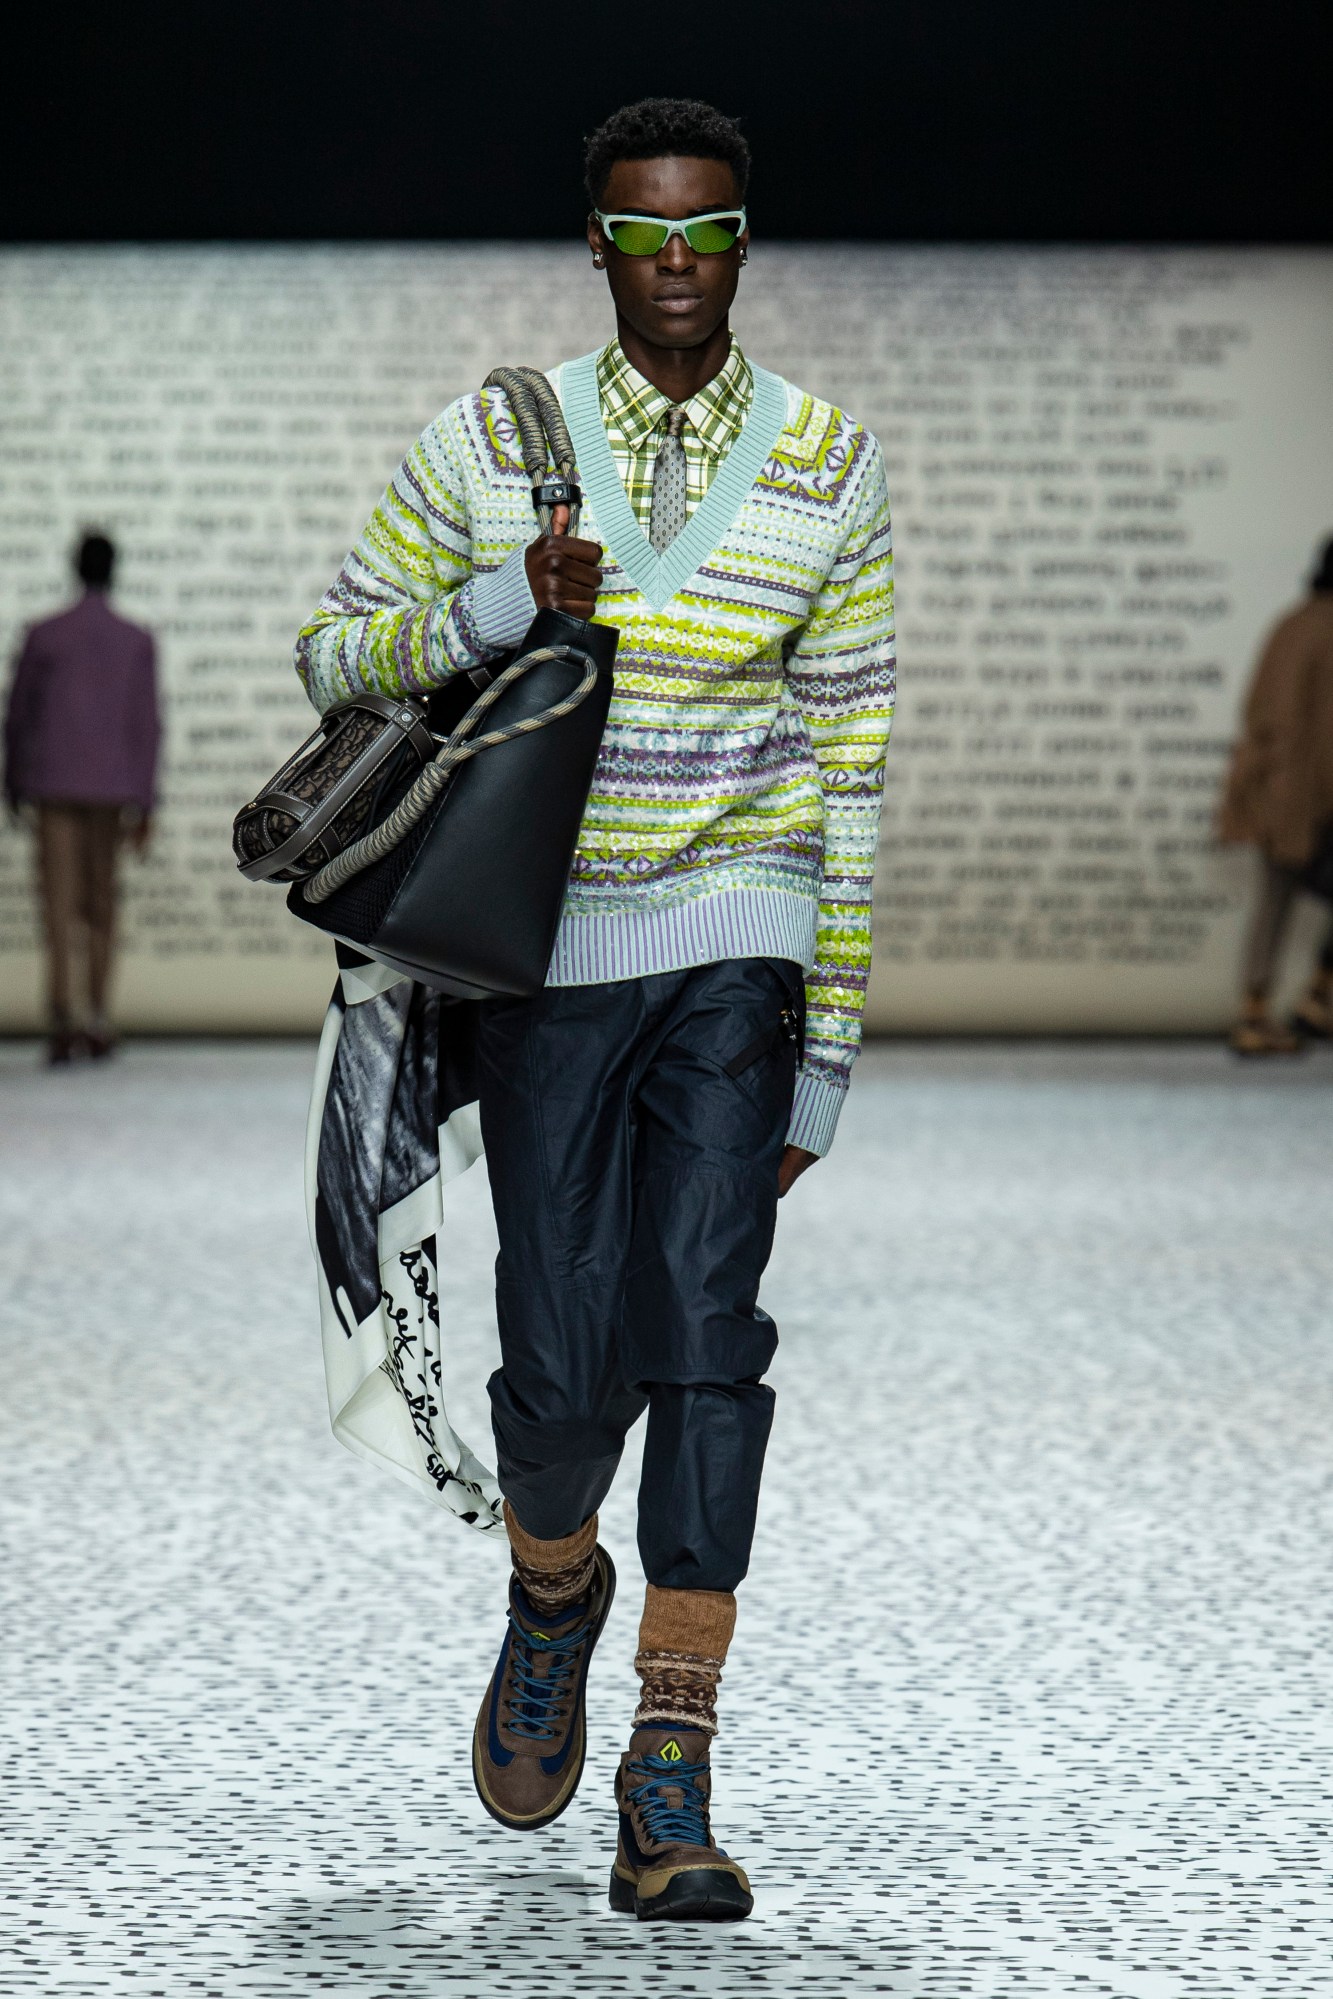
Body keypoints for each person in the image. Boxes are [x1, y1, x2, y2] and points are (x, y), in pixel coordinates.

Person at [295, 97, 895, 1921]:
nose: (679, 267)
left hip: (737, 944)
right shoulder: (496, 441)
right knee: (558, 1370)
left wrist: (831, 1027)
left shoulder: (826, 460)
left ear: (741, 241)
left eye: (708, 233)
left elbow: (851, 756)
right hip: (547, 965)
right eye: (645, 236)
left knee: (706, 1331)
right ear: (598, 245)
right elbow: (335, 647)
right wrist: (492, 598)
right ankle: (554, 1584)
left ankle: (672, 1762)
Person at [3, 532, 160, 1063]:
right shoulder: (135, 640)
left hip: (53, 784)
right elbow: (147, 726)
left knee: (59, 905)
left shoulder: (44, 635)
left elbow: (17, 717)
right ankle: (96, 1015)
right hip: (110, 791)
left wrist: (13, 783)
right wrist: (146, 801)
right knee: (101, 906)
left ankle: (64, 1017)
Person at [1219, 536, 1333, 1054]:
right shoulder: (1319, 629)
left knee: (1273, 903)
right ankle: (1310, 997)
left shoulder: (1292, 626)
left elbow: (1261, 712)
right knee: (1277, 901)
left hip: (1282, 790)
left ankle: (1261, 1010)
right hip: (1308, 794)